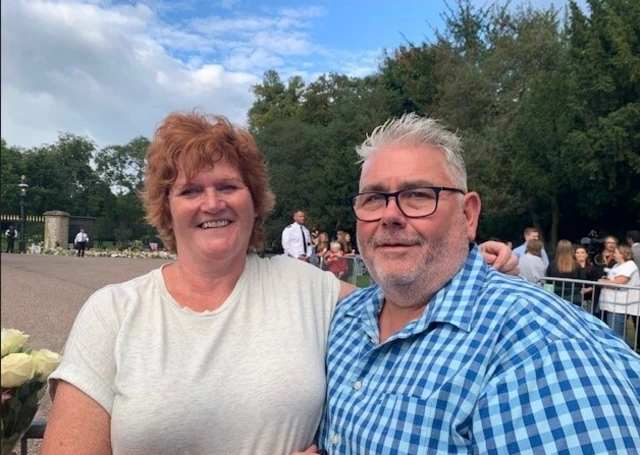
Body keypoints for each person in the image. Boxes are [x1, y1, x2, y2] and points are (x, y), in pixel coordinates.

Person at [42, 112, 516, 455]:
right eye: (190, 190)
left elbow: (404, 299)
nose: (212, 204)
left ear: (254, 200)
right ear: (166, 208)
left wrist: (473, 258)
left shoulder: (306, 288)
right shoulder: (115, 311)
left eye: (228, 186)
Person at [310, 113, 640, 455]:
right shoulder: (341, 321)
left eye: (418, 195)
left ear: (468, 215)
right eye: (374, 198)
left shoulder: (540, 345)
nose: (390, 215)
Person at [598, 244, 640, 345]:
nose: (613, 255)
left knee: (616, 332)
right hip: (612, 304)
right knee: (616, 331)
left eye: (615, 252)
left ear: (623, 254)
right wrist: (607, 280)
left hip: (619, 305)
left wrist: (602, 282)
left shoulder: (629, 265)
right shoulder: (617, 265)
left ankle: (627, 355)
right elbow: (614, 280)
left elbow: (620, 282)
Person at [545, 239, 584, 306]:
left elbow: (549, 282)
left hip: (557, 297)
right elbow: (581, 282)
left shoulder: (552, 265)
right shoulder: (577, 265)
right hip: (574, 297)